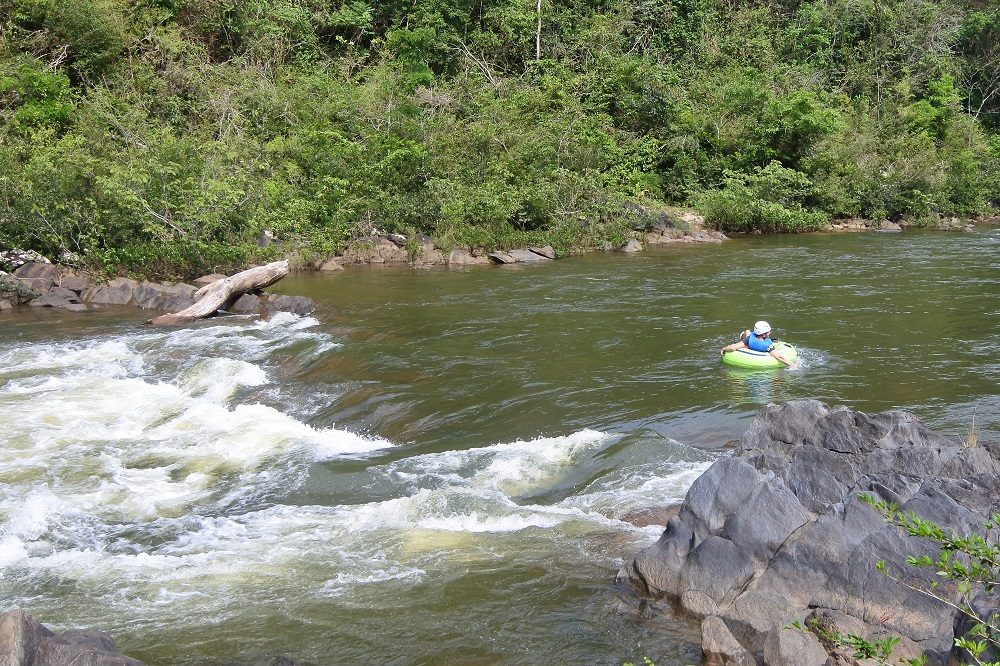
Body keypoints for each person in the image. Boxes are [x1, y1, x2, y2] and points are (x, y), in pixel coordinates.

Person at [720, 320, 796, 368]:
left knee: (747, 331)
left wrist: (723, 349)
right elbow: (779, 357)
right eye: (768, 332)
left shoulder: (749, 338)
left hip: (749, 347)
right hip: (760, 355)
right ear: (763, 335)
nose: (770, 332)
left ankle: (743, 343)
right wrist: (792, 365)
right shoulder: (768, 345)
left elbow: (733, 347)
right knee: (747, 332)